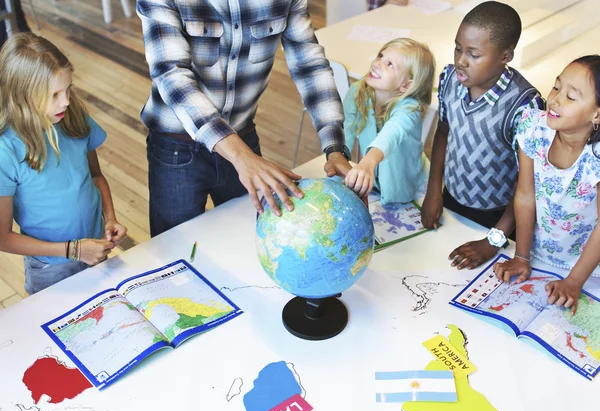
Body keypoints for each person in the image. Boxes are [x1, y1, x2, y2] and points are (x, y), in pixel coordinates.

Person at [137, 0, 351, 237]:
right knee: (174, 248)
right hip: (178, 149)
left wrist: (335, 148)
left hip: (243, 136)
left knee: (253, 240)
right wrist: (240, 155)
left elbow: (309, 65)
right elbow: (170, 75)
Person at [421, 1, 545, 270]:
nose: (461, 61)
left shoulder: (525, 106)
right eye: (458, 48)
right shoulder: (449, 78)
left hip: (500, 217)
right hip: (451, 201)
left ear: (505, 56)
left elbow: (530, 182)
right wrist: (434, 192)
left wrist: (494, 240)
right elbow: (443, 132)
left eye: (473, 54)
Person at [0, 33, 127, 294]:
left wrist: (110, 218)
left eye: (68, 89)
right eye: (54, 94)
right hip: (50, 270)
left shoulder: (73, 117)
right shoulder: (6, 151)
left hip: (96, 250)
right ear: (22, 96)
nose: (66, 101)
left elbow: (96, 177)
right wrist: (74, 250)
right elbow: (4, 238)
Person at [494, 56, 600, 315]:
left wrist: (575, 281)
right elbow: (525, 195)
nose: (555, 99)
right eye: (556, 87)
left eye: (571, 97)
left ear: (597, 114)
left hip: (588, 269)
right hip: (539, 254)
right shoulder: (534, 127)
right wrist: (521, 256)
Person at [343, 38, 435, 203]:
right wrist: (340, 161)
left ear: (406, 85)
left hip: (412, 190)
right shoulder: (357, 92)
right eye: (380, 56)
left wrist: (367, 162)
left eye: (390, 64)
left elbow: (391, 135)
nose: (377, 64)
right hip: (375, 183)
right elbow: (345, 133)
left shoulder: (410, 109)